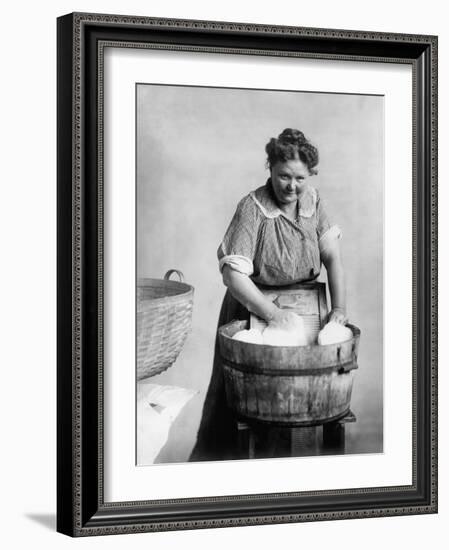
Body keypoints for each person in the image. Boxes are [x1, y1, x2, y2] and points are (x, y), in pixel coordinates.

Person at [189, 128, 346, 462]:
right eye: (283, 176)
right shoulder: (253, 208)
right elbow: (233, 276)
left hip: (306, 305)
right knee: (246, 403)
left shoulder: (313, 202)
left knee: (303, 394)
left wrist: (339, 310)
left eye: (300, 178)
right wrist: (274, 315)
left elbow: (332, 257)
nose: (291, 186)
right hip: (253, 307)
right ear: (270, 169)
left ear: (311, 175)